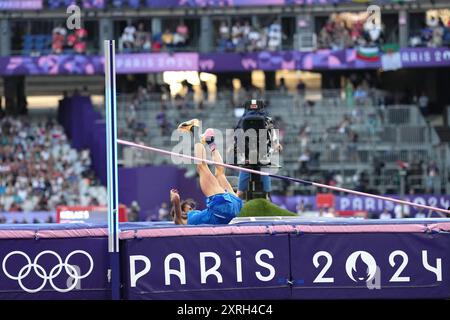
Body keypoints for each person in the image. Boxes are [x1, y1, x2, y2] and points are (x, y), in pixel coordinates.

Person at [170, 119, 243, 225]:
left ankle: (210, 142)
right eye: (188, 208)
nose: (191, 209)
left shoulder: (196, 217)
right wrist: (176, 201)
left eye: (189, 208)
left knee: (219, 174)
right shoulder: (182, 221)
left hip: (233, 207)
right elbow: (177, 219)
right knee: (201, 166)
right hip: (224, 208)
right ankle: (194, 129)